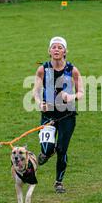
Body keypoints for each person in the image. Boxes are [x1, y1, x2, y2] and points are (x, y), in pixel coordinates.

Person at [33, 36, 84, 193]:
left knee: (62, 149)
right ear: (49, 51)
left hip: (67, 116)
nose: (56, 49)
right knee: (47, 149)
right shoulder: (43, 69)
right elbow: (35, 91)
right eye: (53, 47)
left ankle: (58, 182)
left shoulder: (72, 70)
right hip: (48, 114)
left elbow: (81, 92)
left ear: (65, 51)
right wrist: (39, 102)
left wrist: (72, 97)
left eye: (59, 47)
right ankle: (46, 153)